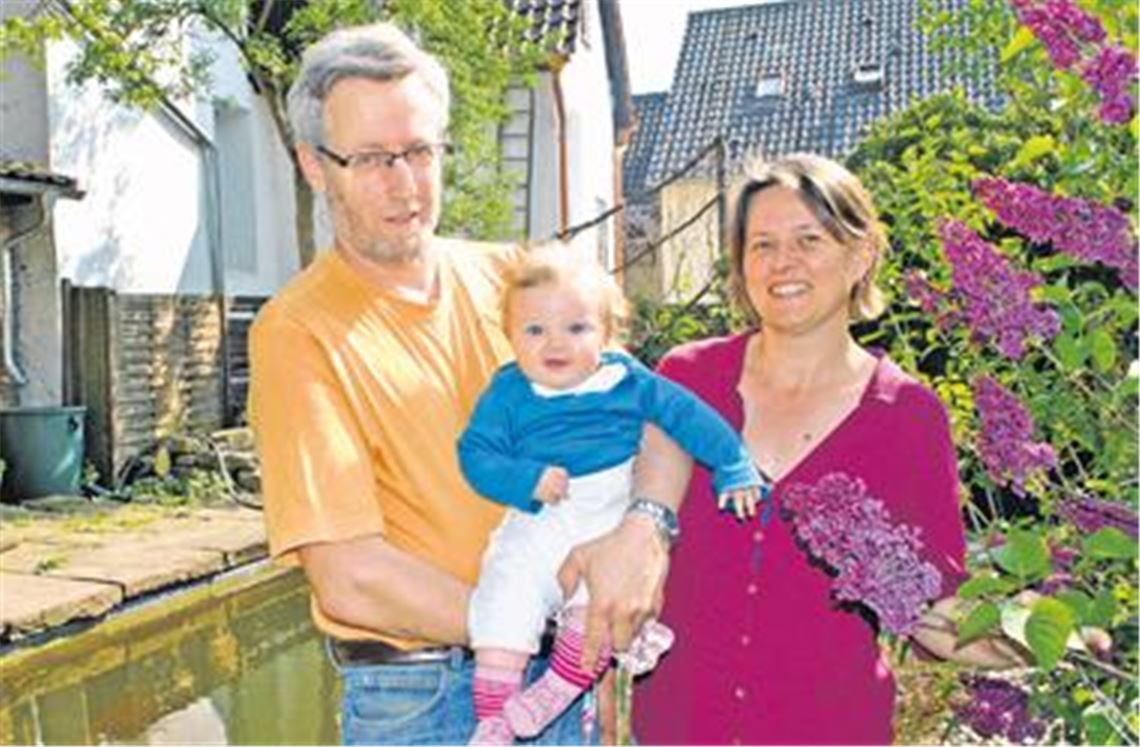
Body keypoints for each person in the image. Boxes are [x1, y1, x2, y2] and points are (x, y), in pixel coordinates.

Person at [248, 23, 671, 746]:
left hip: (562, 661)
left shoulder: (516, 279)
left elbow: (653, 420)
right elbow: (352, 577)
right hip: (423, 697)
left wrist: (645, 529)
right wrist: (547, 628)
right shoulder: (298, 332)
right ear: (314, 166)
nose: (405, 184)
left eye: (420, 151)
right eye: (373, 158)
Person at [632, 154, 1028, 745]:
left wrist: (1048, 631)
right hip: (675, 730)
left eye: (809, 240)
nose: (782, 263)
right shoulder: (686, 381)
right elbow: (631, 545)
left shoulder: (908, 417)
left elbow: (933, 608)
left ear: (860, 254)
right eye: (761, 244)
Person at [456, 247, 767, 744]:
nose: (555, 344)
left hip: (607, 512)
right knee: (502, 598)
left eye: (576, 329)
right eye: (535, 330)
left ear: (605, 331)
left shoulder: (626, 380)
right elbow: (476, 454)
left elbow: (688, 418)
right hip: (540, 516)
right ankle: (494, 721)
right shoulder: (508, 392)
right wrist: (525, 478)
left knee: (598, 610)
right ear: (510, 335)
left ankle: (552, 694)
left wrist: (732, 464)